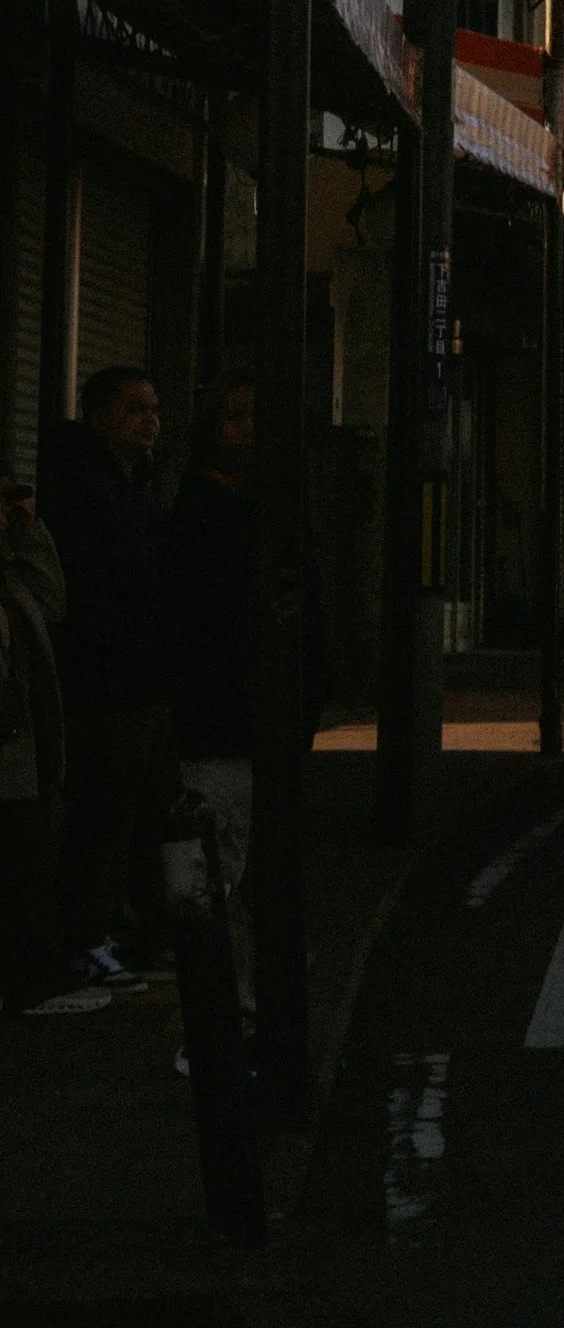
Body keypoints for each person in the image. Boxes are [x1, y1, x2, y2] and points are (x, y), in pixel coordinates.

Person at [161, 371, 319, 1045]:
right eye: (234, 417)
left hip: (255, 729)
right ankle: (219, 1024)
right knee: (214, 877)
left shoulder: (264, 510)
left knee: (235, 875)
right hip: (219, 726)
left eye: (257, 417)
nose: (248, 430)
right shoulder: (201, 515)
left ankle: (236, 1014)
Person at [47, 364, 174, 987]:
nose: (150, 418)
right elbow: (96, 593)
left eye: (154, 407)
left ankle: (116, 930)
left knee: (132, 814)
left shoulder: (136, 486)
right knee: (103, 813)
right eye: (134, 408)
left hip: (139, 681)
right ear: (101, 419)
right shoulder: (87, 491)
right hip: (106, 685)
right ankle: (87, 937)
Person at [0, 465, 70, 1010]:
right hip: (12, 742)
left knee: (26, 851)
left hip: (22, 740)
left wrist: (30, 529)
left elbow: (52, 600)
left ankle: (30, 974)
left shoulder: (10, 575)